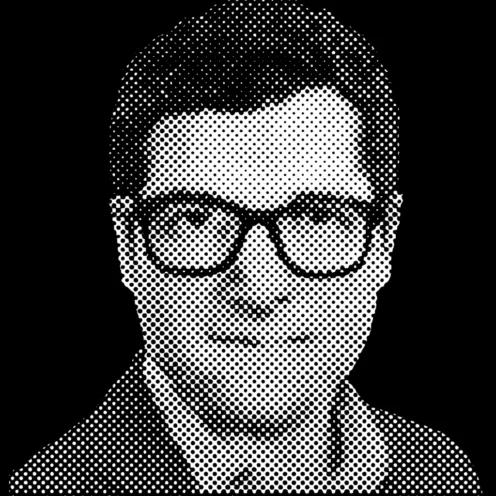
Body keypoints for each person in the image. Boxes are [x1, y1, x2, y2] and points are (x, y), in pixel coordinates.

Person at [9, 0, 482, 493]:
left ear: (385, 241)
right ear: (127, 244)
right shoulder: (55, 485)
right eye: (195, 220)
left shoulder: (441, 472)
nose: (259, 285)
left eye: (317, 218)